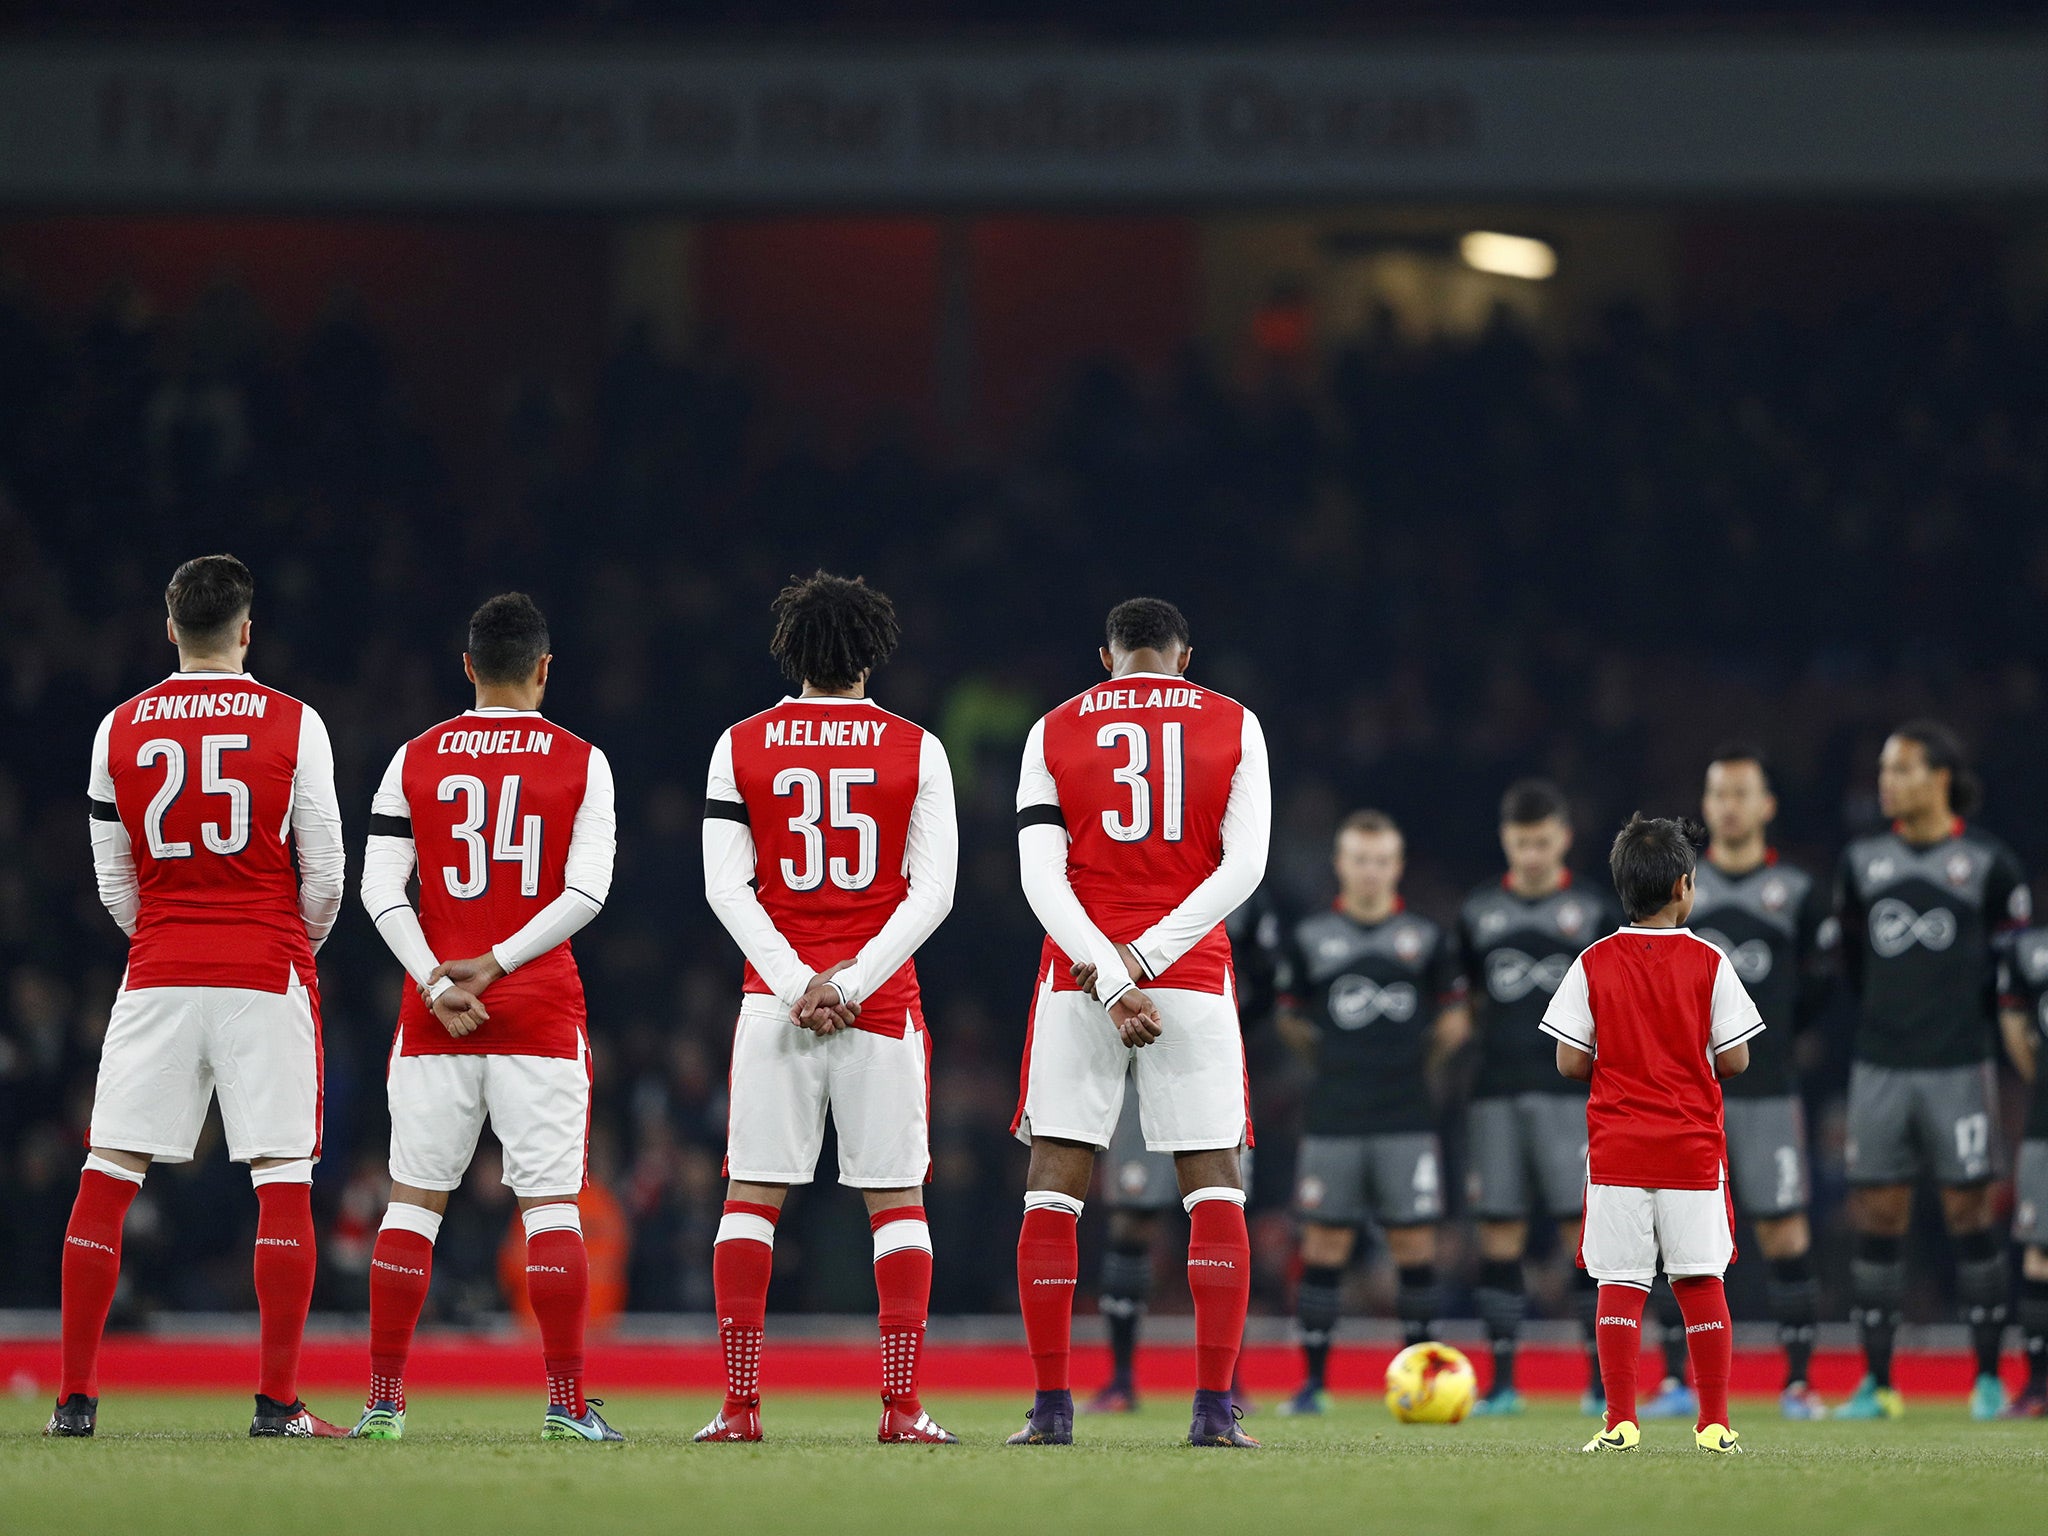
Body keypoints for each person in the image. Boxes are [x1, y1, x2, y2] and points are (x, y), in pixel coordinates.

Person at [53, 554, 346, 1438]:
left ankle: (73, 1402)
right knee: (282, 1178)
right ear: (247, 631)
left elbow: (114, 882)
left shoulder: (119, 728)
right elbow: (326, 876)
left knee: (108, 1176)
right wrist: (289, 943)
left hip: (160, 968)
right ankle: (277, 1403)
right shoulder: (296, 722)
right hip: (265, 966)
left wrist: (170, 933)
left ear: (170, 629)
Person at [698, 572, 959, 1446]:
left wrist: (795, 983)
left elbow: (726, 888)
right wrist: (849, 984)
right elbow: (934, 895)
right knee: (896, 1205)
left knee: (751, 1200)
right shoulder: (917, 748)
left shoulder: (741, 743)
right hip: (880, 1010)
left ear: (792, 650)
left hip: (775, 1010)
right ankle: (901, 1407)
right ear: (873, 652)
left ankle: (739, 1409)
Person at [355, 593, 622, 1443]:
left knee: (411, 1209)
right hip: (538, 1011)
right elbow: (586, 892)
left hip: (437, 1015)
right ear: (544, 668)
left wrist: (438, 983)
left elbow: (377, 889)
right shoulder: (583, 761)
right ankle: (565, 1405)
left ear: (467, 666)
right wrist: (502, 963)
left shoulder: (415, 758)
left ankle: (385, 1404)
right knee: (550, 1210)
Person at [1009, 596, 1270, 1450]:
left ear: (1107, 656)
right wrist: (1150, 959)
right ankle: (1212, 1412)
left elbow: (1042, 879)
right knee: (1214, 1185)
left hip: (1077, 977)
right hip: (1188, 974)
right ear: (1184, 657)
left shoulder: (1053, 728)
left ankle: (1051, 1411)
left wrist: (1109, 967)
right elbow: (1244, 868)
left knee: (1055, 1181)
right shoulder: (1236, 723)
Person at [1548, 814, 1764, 1456]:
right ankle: (1715, 1423)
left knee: (1620, 1283)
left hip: (1618, 1152)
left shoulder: (1593, 962)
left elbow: (1568, 1061)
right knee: (1699, 1280)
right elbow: (1735, 1059)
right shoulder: (1709, 962)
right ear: (1685, 886)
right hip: (1691, 1150)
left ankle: (1620, 1422)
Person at [1834, 721, 2031, 1420]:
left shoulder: (1988, 865)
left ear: (1940, 777)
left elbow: (2014, 975)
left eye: (1903, 768)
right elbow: (1854, 966)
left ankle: (1984, 1378)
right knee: (1877, 1219)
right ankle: (1877, 1383)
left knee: (1969, 1215)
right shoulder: (1862, 864)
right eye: (1886, 769)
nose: (1888, 780)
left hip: (1959, 1065)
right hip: (1881, 1064)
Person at [1641, 746, 1837, 1422]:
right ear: (1704, 804)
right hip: (1684, 1094)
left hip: (1767, 1091)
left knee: (1784, 1231)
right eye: (1717, 793)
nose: (1728, 805)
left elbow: (1818, 987)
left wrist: (1769, 1042)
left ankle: (1799, 1384)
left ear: (1765, 806)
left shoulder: (1799, 894)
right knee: (1679, 1237)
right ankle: (1674, 1382)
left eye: (1741, 793)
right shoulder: (1678, 888)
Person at [1274, 811, 1468, 1415]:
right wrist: (1337, 1062)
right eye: (1359, 859)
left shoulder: (1425, 939)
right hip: (1334, 1114)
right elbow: (1290, 1019)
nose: (1369, 870)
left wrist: (1412, 1069)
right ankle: (1312, 1386)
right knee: (1325, 1245)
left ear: (1397, 866)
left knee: (1415, 1248)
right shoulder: (1310, 939)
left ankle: (1425, 1378)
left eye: (1381, 860)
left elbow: (1455, 1022)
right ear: (1340, 864)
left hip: (1406, 1117)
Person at [1457, 779, 1621, 1416]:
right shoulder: (1477, 915)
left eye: (1542, 842)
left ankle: (1599, 1382)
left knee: (1584, 1233)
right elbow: (1465, 1002)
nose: (1531, 854)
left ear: (1564, 839)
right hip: (1494, 1090)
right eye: (1522, 843)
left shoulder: (1592, 912)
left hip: (1574, 1096)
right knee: (1499, 1230)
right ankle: (1502, 1383)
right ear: (1507, 840)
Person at [1081, 893, 1276, 1417]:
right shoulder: (1134, 876)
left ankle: (1228, 1381)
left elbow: (1267, 983)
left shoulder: (1241, 896)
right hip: (1137, 1054)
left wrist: (1218, 1026)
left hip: (1211, 1063)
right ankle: (1121, 1379)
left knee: (1221, 1213)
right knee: (1132, 1220)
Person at [2000, 928, 2048, 1418]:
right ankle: (2038, 1386)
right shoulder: (2031, 952)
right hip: (2044, 1126)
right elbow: (2015, 1030)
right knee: (2040, 1254)